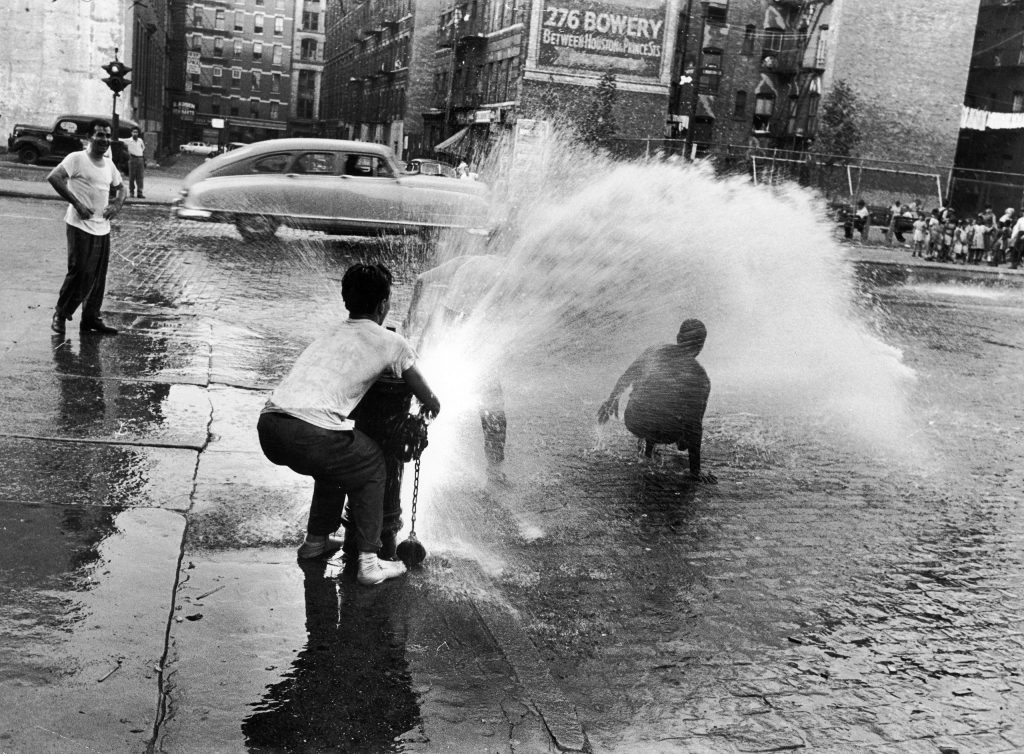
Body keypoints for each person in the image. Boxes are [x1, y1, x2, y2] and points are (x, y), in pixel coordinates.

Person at [257, 263, 442, 586]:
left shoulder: (330, 333)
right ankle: (371, 562)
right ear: (384, 304)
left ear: (347, 301)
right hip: (310, 433)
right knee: (370, 464)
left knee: (338, 463)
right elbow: (429, 398)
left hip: (271, 425)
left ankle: (315, 542)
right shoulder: (392, 342)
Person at [403, 254, 508, 482]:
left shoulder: (466, 260)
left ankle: (403, 456)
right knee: (492, 403)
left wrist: (410, 317)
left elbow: (421, 279)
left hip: (438, 323)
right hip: (469, 327)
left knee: (418, 390)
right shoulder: (506, 269)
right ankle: (495, 470)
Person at [597, 318, 717, 483]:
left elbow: (627, 376)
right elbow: (695, 426)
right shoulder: (699, 377)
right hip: (666, 432)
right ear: (701, 345)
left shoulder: (655, 351)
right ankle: (666, 442)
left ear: (678, 338)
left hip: (634, 420)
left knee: (653, 399)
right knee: (677, 418)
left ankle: (647, 448)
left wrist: (611, 400)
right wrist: (695, 471)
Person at [47, 118, 126, 336]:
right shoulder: (77, 158)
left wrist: (116, 205)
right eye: (100, 134)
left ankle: (90, 318)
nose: (105, 139)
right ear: (88, 137)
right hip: (79, 225)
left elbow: (121, 188)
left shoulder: (109, 164)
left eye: (108, 135)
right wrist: (77, 203)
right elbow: (54, 178)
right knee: (80, 271)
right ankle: (60, 314)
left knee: (98, 276)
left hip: (103, 228)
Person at [126, 127, 145, 199]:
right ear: (131, 133)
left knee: (140, 176)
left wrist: (139, 153)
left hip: (140, 159)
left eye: (136, 132)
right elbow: (119, 139)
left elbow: (143, 147)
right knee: (132, 176)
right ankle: (131, 192)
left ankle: (140, 192)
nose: (135, 133)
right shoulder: (129, 140)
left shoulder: (140, 140)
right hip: (132, 158)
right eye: (133, 132)